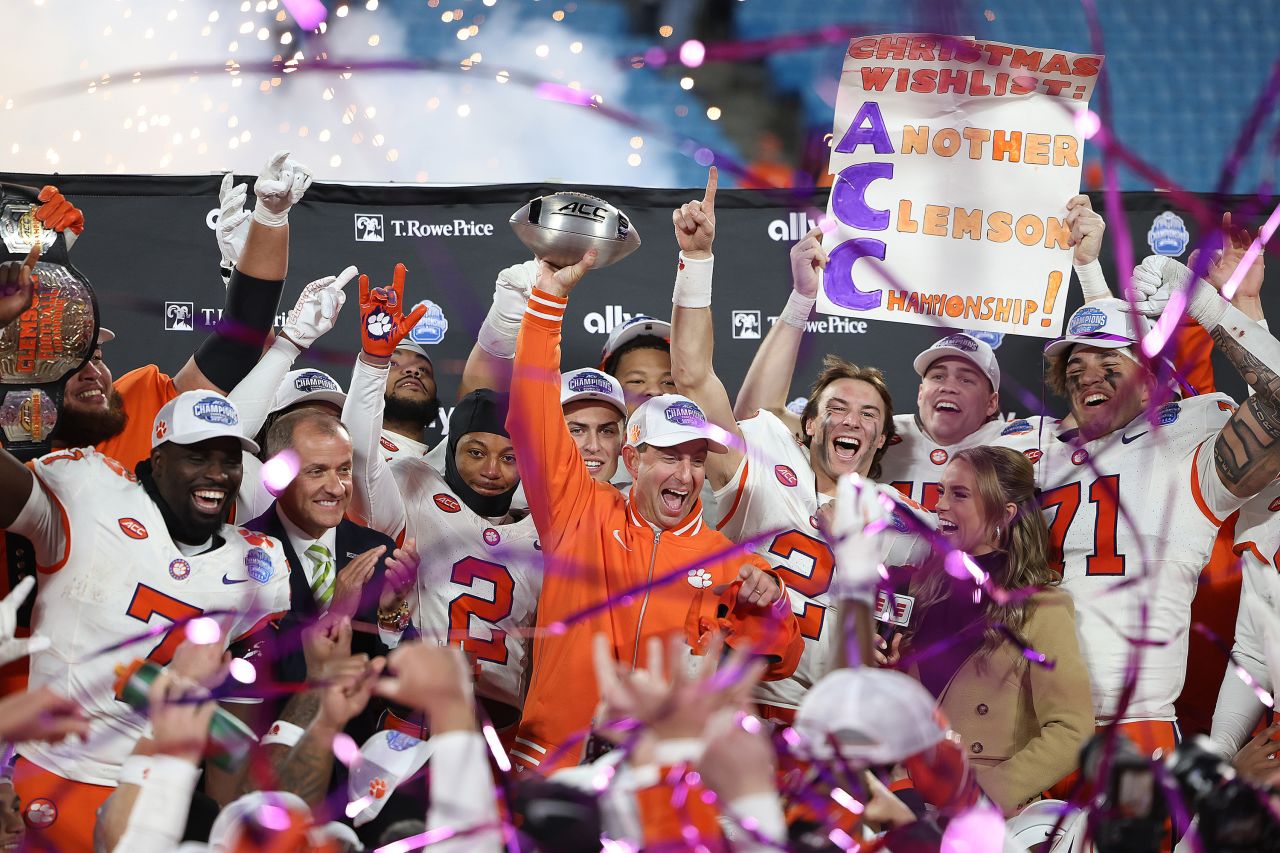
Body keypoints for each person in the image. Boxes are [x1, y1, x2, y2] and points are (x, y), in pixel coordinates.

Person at [506, 246, 803, 774]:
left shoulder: (729, 563)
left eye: (696, 459)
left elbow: (783, 657)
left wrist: (773, 604)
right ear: (631, 457)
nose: (686, 476)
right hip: (556, 761)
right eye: (669, 457)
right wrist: (548, 302)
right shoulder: (581, 512)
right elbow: (532, 415)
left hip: (661, 781)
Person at [990, 233, 1279, 763]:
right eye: (1075, 374)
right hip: (1020, 723)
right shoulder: (1036, 449)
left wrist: (1205, 303)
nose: (1087, 382)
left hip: (1130, 731)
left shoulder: (1182, 441)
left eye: (1109, 369)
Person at [667, 168, 930, 723]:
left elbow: (963, 603)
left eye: (867, 415)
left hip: (838, 729)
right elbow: (692, 378)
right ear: (806, 425)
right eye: (835, 408)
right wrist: (697, 261)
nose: (849, 421)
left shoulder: (905, 522)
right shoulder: (766, 465)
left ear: (883, 437)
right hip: (740, 712)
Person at [0, 386, 292, 850]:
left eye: (229, 459)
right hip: (52, 776)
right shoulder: (90, 493)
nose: (217, 474)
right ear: (158, 459)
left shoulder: (260, 565)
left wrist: (218, 819)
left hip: (162, 788)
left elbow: (240, 713)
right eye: (197, 457)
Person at [736, 194, 1111, 510]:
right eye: (936, 376)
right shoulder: (874, 432)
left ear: (992, 402)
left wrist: (1088, 268)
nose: (948, 386)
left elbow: (1119, 411)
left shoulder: (1025, 438)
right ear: (919, 393)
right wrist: (802, 298)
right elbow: (756, 418)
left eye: (966, 379)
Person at [342, 263, 541, 734]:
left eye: (509, 457)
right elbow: (359, 461)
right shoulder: (415, 484)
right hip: (412, 717)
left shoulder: (544, 529)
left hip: (502, 725)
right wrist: (372, 363)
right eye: (475, 453)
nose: (492, 471)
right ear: (448, 453)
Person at [888, 447, 1093, 815]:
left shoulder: (1042, 606)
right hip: (905, 799)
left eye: (959, 494)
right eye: (941, 492)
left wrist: (981, 798)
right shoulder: (921, 589)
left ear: (1004, 512)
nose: (940, 506)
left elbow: (1073, 733)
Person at [97, 151, 313, 471]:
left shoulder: (135, 400)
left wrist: (270, 220)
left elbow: (240, 337)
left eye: (97, 357)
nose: (91, 372)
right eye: (73, 361)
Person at [243, 409, 417, 730]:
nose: (336, 488)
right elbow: (251, 680)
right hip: (272, 759)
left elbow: (406, 687)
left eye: (344, 470)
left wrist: (391, 617)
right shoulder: (242, 552)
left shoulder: (377, 550)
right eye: (317, 471)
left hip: (355, 762)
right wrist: (335, 617)